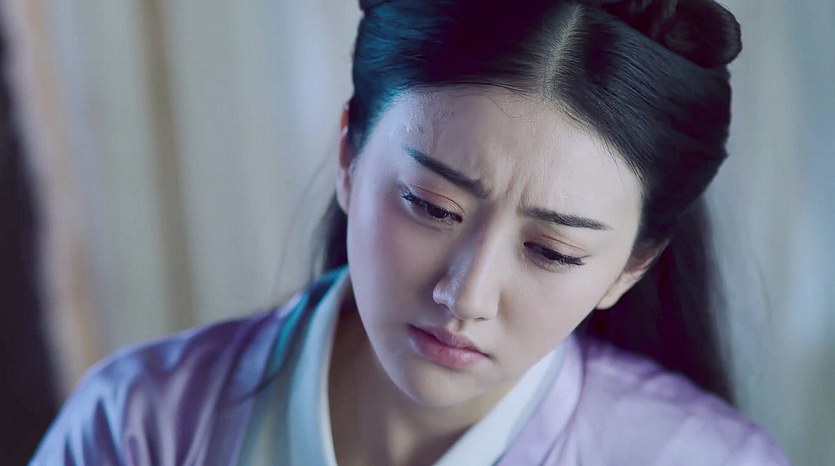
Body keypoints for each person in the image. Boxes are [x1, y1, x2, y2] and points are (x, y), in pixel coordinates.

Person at [32, 0, 789, 464]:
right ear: (349, 156)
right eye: (430, 206)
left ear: (630, 267)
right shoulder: (139, 427)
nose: (466, 295)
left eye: (552, 252)